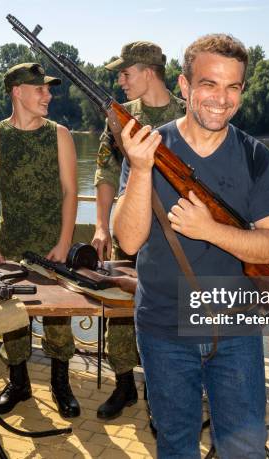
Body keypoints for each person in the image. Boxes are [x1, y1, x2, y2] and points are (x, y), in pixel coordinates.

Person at [113, 34, 269, 458]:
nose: (222, 99)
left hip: (236, 327)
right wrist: (140, 168)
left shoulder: (255, 156)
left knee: (246, 447)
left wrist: (209, 230)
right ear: (185, 86)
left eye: (233, 87)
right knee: (175, 446)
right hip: (164, 326)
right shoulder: (147, 148)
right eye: (209, 84)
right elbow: (129, 240)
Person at [0, 63, 80, 418]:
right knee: (12, 317)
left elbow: (71, 193)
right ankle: (18, 384)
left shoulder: (60, 134)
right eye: (40, 89)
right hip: (10, 244)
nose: (47, 95)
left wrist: (65, 242)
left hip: (52, 244)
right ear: (17, 91)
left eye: (49, 90)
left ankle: (60, 384)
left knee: (58, 319)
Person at [91, 41, 185, 420]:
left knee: (172, 312)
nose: (120, 79)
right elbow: (105, 172)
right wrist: (101, 226)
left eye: (125, 72)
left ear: (148, 72)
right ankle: (124, 384)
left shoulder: (187, 111)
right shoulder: (120, 117)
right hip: (128, 229)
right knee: (119, 310)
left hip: (175, 236)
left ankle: (164, 391)